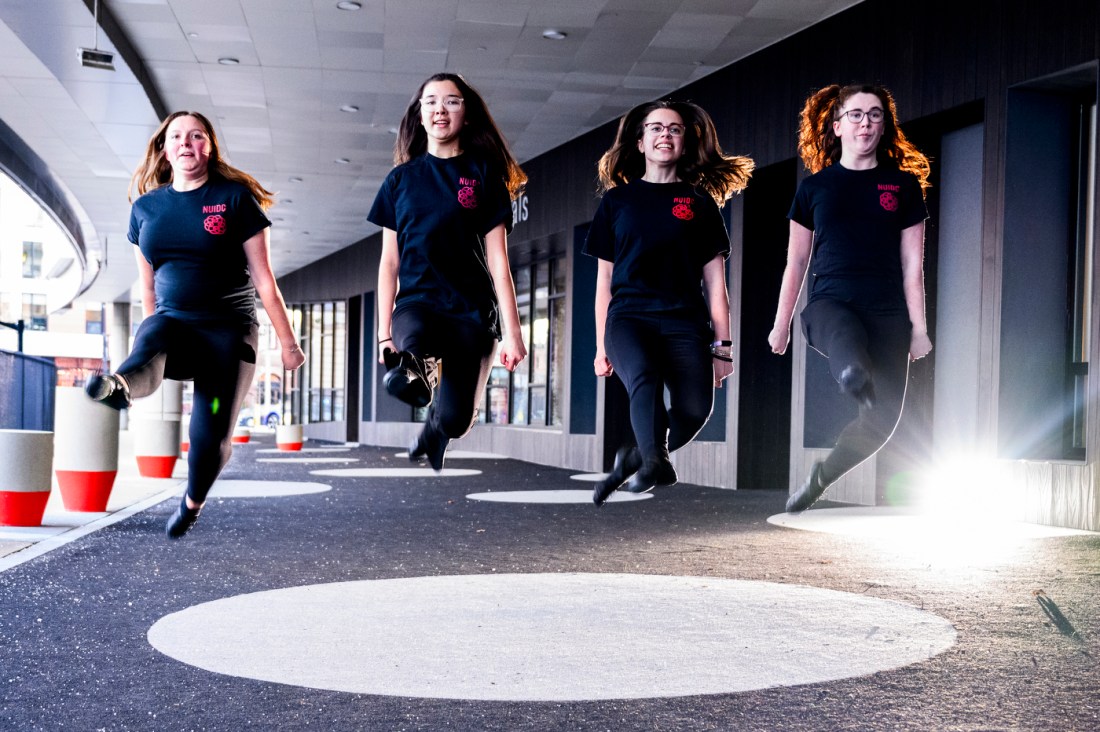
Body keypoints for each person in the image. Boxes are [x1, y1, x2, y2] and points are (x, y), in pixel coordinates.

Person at [85, 111, 306, 539]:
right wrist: (150, 334)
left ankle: (192, 502)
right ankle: (121, 387)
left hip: (229, 336)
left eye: (197, 136)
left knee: (209, 434)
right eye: (178, 137)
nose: (187, 143)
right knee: (149, 343)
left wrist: (287, 343)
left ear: (209, 146)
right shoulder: (146, 209)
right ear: (165, 150)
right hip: (175, 327)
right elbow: (147, 287)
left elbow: (264, 279)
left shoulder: (235, 199)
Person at [768, 83, 932, 513]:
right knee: (848, 346)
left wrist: (919, 329)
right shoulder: (814, 189)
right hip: (830, 304)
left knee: (884, 422)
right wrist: (780, 324)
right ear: (837, 126)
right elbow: (796, 262)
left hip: (888, 312)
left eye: (875, 115)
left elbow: (913, 267)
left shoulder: (903, 187)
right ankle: (853, 374)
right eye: (856, 115)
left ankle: (821, 478)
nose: (866, 122)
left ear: (884, 127)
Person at [585, 100, 753, 506]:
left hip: (684, 322)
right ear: (640, 142)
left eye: (675, 129)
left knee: (696, 410)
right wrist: (599, 344)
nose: (665, 134)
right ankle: (653, 461)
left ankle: (641, 455)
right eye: (656, 128)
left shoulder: (699, 204)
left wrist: (723, 349)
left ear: (685, 142)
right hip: (628, 318)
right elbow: (603, 282)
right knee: (643, 376)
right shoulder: (616, 202)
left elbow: (716, 286)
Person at [368, 73, 527, 471]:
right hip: (417, 304)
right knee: (414, 344)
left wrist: (513, 333)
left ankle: (434, 430)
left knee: (456, 421)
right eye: (431, 102)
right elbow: (390, 262)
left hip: (471, 310)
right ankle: (416, 373)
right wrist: (384, 332)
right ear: (419, 117)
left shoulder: (484, 174)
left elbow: (498, 263)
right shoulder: (400, 181)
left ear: (467, 115)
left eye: (452, 101)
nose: (441, 109)